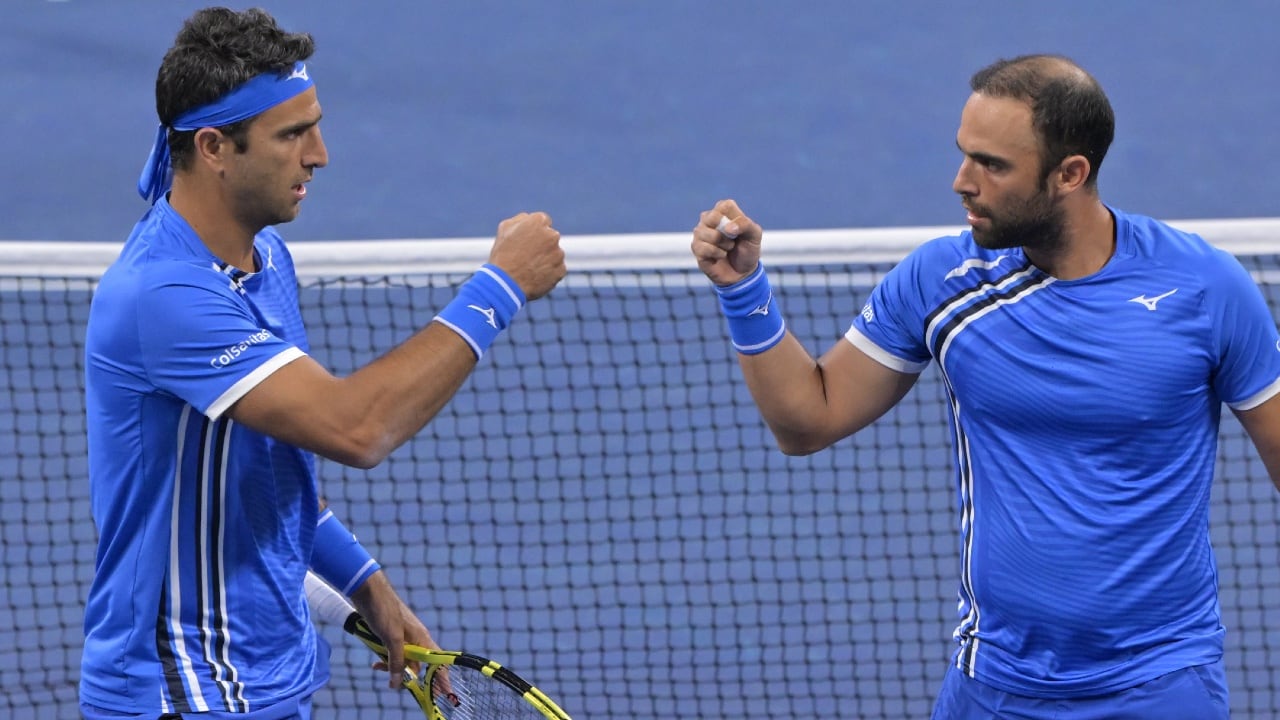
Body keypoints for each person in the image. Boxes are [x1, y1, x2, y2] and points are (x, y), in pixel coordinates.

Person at [692, 54, 1280, 719]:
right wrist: (743, 291)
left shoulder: (1205, 289)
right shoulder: (943, 282)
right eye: (964, 155)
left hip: (1159, 684)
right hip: (995, 685)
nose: (961, 182)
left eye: (992, 165)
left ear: (1070, 174)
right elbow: (808, 419)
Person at [80, 7, 565, 719]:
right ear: (215, 147)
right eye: (292, 135)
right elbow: (356, 428)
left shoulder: (264, 255)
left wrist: (365, 583)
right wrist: (500, 288)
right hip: (184, 693)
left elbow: (270, 476)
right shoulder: (162, 296)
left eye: (315, 125)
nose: (320, 154)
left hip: (270, 677)